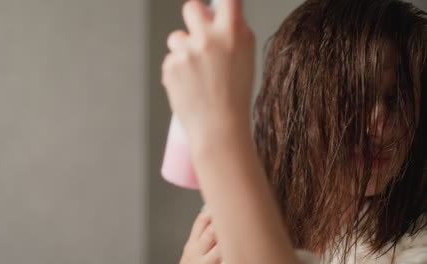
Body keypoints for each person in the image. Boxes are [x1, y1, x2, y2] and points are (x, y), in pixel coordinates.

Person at [161, 0, 427, 263]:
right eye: (353, 96)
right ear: (295, 102)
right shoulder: (226, 221)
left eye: (396, 99)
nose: (379, 125)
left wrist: (217, 131)